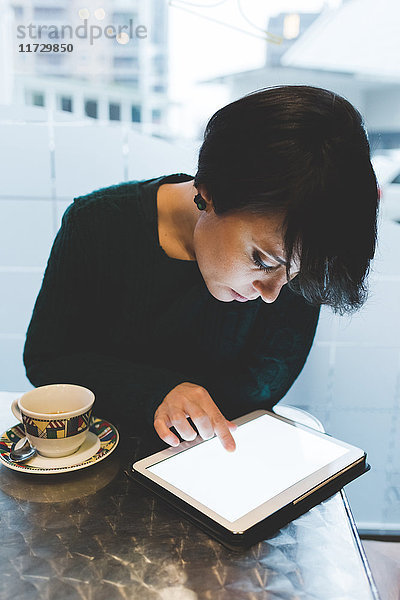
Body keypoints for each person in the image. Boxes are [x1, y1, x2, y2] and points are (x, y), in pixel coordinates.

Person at [23, 85, 379, 453]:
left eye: (293, 274)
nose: (272, 294)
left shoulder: (300, 256)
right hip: (92, 461)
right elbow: (48, 358)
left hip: (211, 467)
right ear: (209, 192)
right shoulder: (98, 224)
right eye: (262, 260)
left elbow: (263, 387)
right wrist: (158, 392)